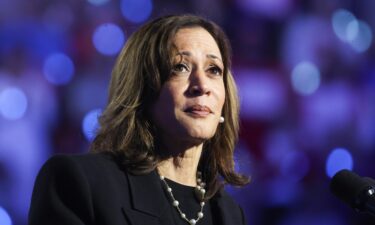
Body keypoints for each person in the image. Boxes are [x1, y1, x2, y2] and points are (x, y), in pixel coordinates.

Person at [28, 14, 249, 225]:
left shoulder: (229, 213)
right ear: (142, 89)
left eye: (214, 70)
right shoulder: (78, 183)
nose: (202, 86)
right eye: (180, 67)